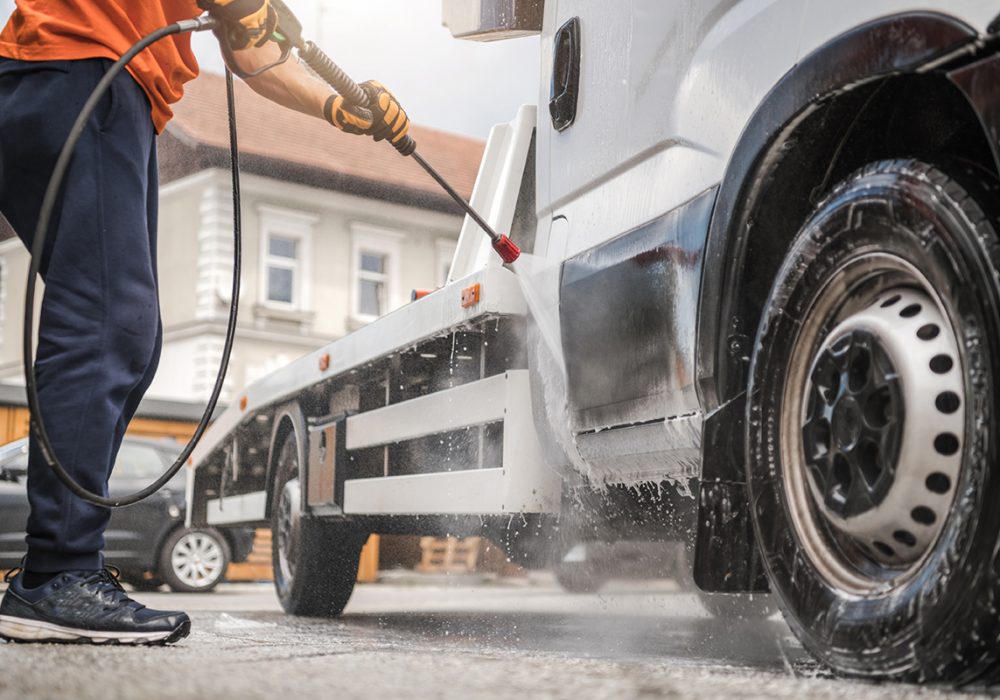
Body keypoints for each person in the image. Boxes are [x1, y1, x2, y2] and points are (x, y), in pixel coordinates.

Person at [0, 0, 409, 645]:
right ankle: (56, 576)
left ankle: (58, 571)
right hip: (84, 67)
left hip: (83, 80)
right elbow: (248, 22)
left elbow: (252, 53)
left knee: (127, 333)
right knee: (108, 324)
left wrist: (340, 107)